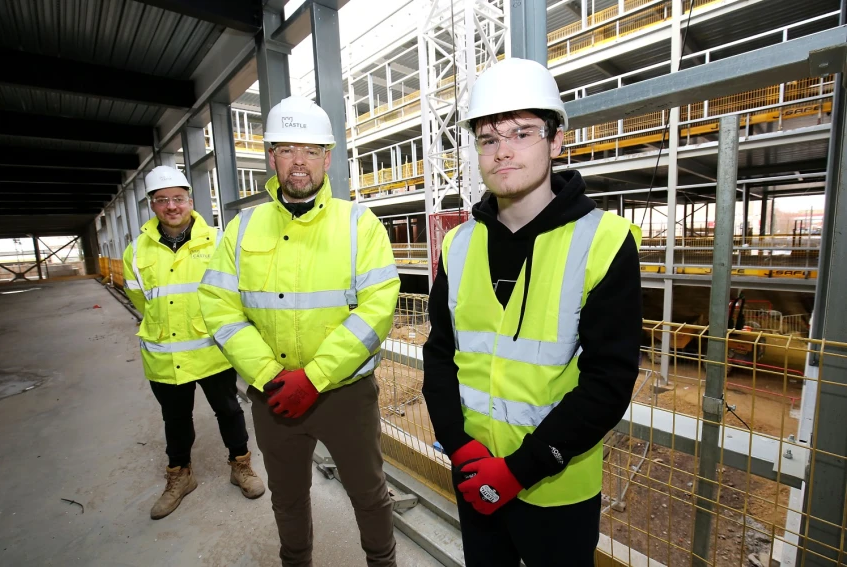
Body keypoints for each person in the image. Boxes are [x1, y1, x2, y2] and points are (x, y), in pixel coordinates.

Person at [422, 58, 642, 566]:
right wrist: (459, 447)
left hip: (557, 487)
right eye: (488, 138)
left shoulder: (604, 242)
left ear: (556, 140)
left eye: (521, 133)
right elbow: (439, 357)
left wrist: (520, 469)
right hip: (475, 474)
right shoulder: (457, 245)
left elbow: (608, 381)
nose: (503, 152)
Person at [197, 96, 400, 567]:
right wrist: (268, 374)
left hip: (344, 393)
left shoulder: (358, 225)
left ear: (327, 157)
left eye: (311, 150)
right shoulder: (243, 229)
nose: (299, 161)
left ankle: (383, 562)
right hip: (272, 395)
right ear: (272, 157)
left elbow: (376, 310)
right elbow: (219, 306)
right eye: (288, 150)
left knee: (369, 493)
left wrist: (316, 376)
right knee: (287, 496)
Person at [122, 165, 265, 520]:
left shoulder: (217, 241)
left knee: (229, 410)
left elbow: (234, 292)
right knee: (175, 419)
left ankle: (241, 466)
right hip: (165, 354)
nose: (172, 206)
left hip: (212, 350)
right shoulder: (136, 251)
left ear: (191, 200)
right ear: (152, 205)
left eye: (178, 198)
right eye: (162, 200)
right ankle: (179, 476)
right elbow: (141, 300)